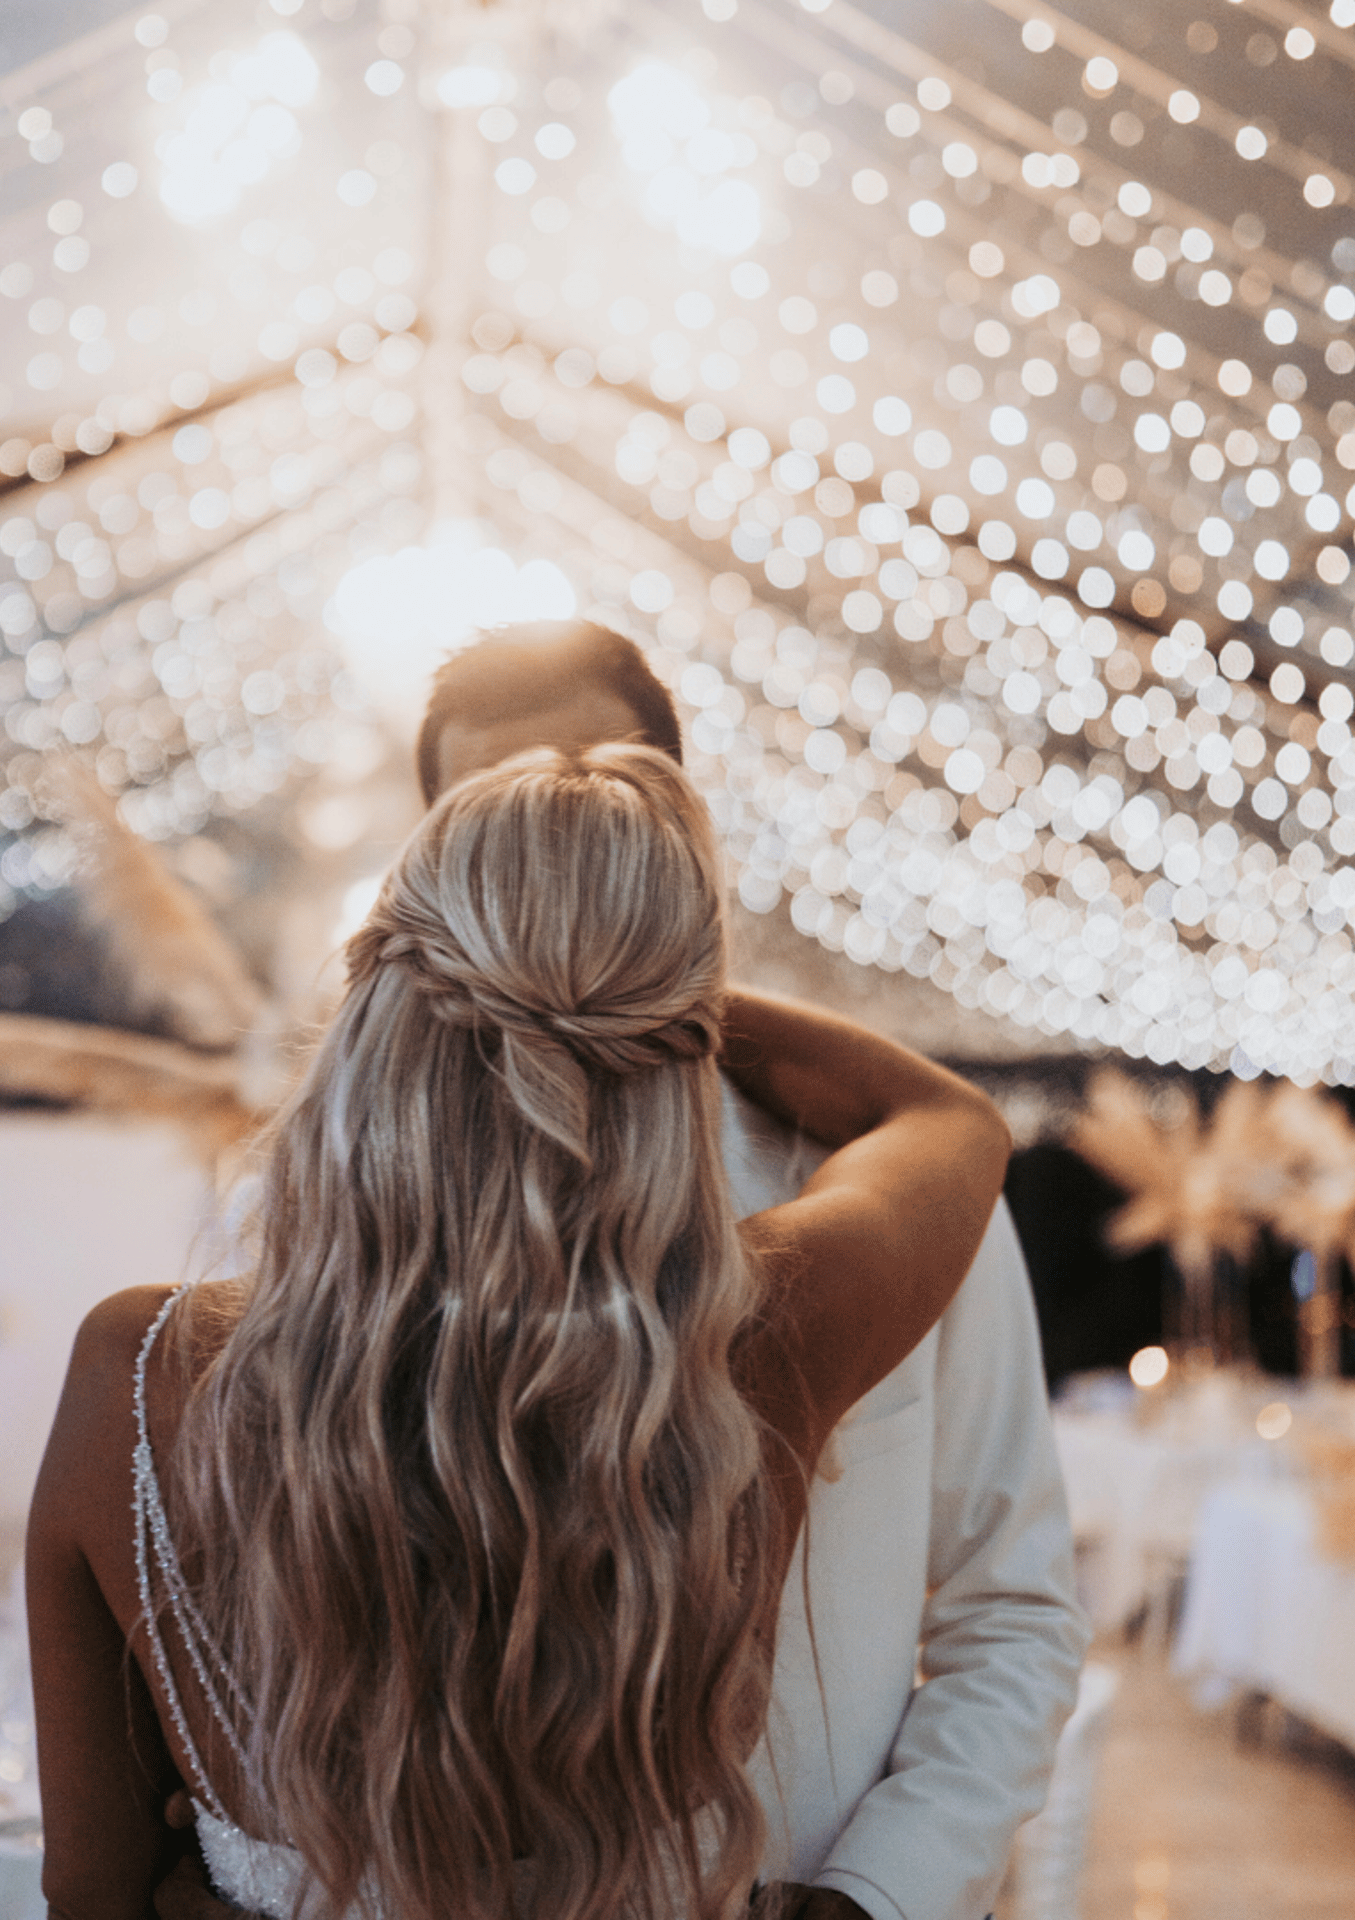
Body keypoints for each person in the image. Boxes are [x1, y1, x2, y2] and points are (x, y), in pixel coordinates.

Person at [28, 743, 1011, 1920]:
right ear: (678, 1041)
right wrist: (628, 977)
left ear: (373, 1013)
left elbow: (91, 1897)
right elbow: (950, 1120)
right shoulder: (763, 1339)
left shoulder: (136, 1382)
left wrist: (492, 965)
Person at [416, 624, 1088, 1920]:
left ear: (673, 818)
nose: (556, 853)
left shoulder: (893, 1185)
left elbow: (1012, 1610)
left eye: (584, 794)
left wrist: (873, 1896)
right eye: (495, 820)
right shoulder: (343, 1221)